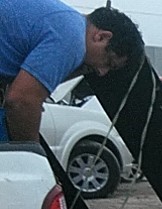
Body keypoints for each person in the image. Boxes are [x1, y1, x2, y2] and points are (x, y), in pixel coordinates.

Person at [0, 2, 143, 142]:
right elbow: (22, 101)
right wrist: (32, 155)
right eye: (108, 62)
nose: (102, 72)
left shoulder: (65, 21)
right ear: (101, 37)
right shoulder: (72, 41)